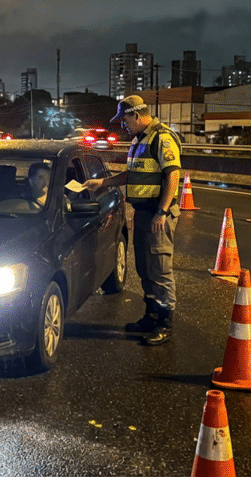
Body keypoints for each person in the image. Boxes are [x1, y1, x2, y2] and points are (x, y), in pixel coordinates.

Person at [81, 95, 182, 345]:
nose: (122, 126)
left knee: (160, 269)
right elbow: (133, 175)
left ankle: (165, 323)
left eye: (124, 121)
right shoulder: (140, 139)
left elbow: (173, 175)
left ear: (136, 115)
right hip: (143, 213)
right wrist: (103, 182)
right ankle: (150, 315)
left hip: (157, 214)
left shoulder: (162, 138)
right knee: (144, 267)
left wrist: (162, 211)